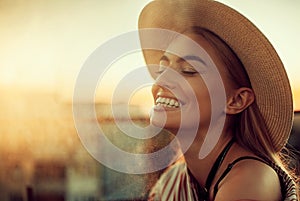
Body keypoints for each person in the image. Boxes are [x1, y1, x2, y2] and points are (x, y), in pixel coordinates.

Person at [138, 0, 299, 200]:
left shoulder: (251, 181)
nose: (161, 81)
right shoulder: (173, 179)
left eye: (188, 71)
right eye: (162, 70)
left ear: (236, 100)